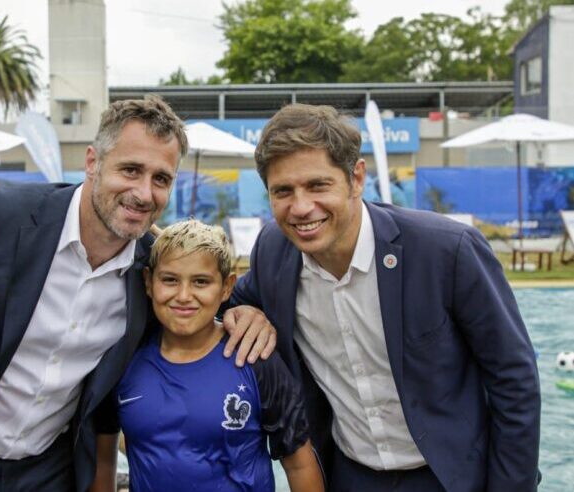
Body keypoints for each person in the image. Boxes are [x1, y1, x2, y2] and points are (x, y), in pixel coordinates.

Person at [0, 97, 276, 492]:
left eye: (161, 178)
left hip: (45, 473)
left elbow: (198, 306)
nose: (144, 192)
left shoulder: (152, 270)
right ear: (91, 162)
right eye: (131, 170)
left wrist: (244, 314)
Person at [230, 103, 541, 491]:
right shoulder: (272, 254)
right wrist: (244, 311)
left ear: (356, 178)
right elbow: (224, 303)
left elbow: (515, 380)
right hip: (348, 476)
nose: (301, 207)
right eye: (283, 191)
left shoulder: (447, 252)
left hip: (452, 478)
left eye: (317, 185)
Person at [89, 220, 324, 492]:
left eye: (201, 282)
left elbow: (299, 464)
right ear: (149, 282)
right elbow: (103, 461)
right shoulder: (123, 361)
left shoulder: (254, 357)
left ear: (226, 287)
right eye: (170, 280)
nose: (184, 295)